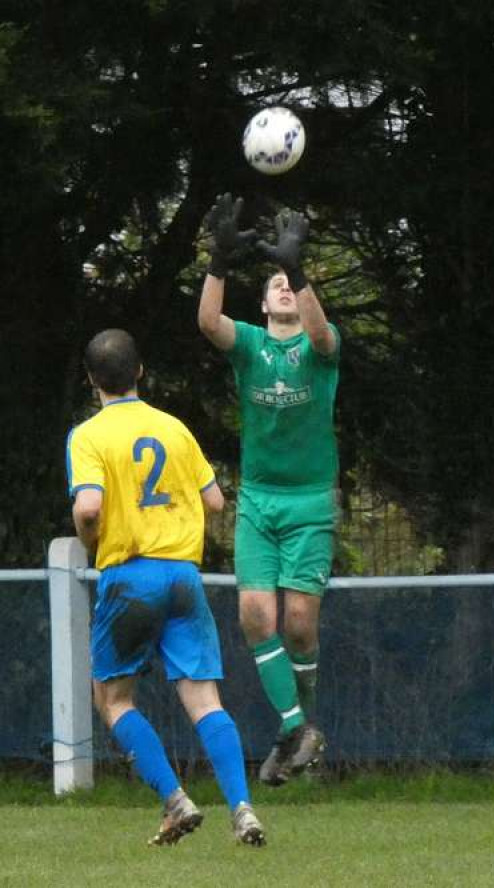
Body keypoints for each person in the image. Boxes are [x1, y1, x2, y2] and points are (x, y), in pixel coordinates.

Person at [66, 329, 264, 847]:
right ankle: (242, 808)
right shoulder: (174, 428)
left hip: (129, 575)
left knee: (112, 699)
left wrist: (92, 537)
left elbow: (88, 506)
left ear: (91, 381)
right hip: (182, 575)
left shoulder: (88, 436)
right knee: (204, 701)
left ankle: (176, 799)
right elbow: (216, 501)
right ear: (140, 373)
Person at [198, 194, 340, 785]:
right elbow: (208, 323)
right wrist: (218, 262)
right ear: (260, 303)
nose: (284, 286)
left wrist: (300, 268)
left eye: (290, 281)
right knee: (257, 615)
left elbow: (325, 336)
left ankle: (299, 728)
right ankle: (296, 730)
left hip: (309, 501)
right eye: (276, 282)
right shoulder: (251, 346)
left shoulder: (318, 346)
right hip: (258, 499)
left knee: (300, 623)